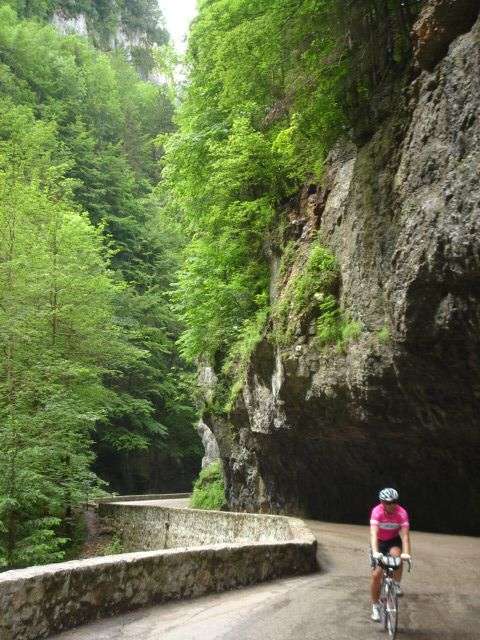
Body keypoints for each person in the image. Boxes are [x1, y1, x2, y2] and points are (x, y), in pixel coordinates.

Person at [369, 488, 411, 622]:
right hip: (380, 542)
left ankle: (396, 584)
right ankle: (375, 607)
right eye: (388, 502)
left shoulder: (401, 513)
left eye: (394, 502)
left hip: (393, 541)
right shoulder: (377, 512)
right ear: (382, 502)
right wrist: (375, 552)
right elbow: (373, 534)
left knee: (397, 558)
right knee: (376, 575)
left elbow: (405, 536)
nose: (392, 505)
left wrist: (406, 553)